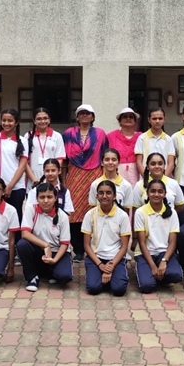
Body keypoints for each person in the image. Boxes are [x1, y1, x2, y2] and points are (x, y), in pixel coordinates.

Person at [63, 104, 109, 261]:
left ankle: (94, 247)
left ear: (93, 117)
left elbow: (104, 156)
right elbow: (64, 160)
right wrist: (63, 181)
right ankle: (78, 249)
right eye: (81, 113)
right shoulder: (68, 134)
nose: (84, 115)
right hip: (74, 176)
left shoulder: (100, 134)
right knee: (74, 213)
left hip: (94, 175)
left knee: (93, 211)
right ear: (77, 116)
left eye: (88, 113)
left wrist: (105, 178)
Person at [17, 183, 73, 292]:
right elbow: (25, 233)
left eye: (49, 197)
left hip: (57, 252)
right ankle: (32, 277)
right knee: (22, 244)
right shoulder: (31, 210)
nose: (46, 201)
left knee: (64, 277)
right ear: (37, 198)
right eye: (42, 197)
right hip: (39, 250)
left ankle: (52, 271)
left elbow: (65, 244)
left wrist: (54, 260)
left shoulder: (62, 216)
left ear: (55, 198)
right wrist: (45, 245)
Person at [81, 181, 131, 296]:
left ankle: (111, 278)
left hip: (115, 258)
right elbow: (86, 245)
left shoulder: (122, 216)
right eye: (101, 193)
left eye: (108, 193)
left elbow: (124, 247)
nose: (104, 196)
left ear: (114, 196)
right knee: (93, 288)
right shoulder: (90, 215)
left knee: (119, 290)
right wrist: (101, 265)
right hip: (96, 258)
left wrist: (110, 266)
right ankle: (104, 278)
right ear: (96, 196)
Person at [134, 179, 183, 293]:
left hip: (164, 253)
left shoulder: (172, 213)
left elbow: (172, 243)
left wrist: (164, 261)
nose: (156, 194)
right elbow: (142, 243)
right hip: (145, 254)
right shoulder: (140, 212)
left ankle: (161, 274)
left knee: (176, 275)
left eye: (160, 191)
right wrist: (153, 266)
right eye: (153, 191)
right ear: (147, 193)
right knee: (147, 286)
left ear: (165, 194)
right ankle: (152, 273)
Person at [0, 108, 29, 224]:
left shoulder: (23, 141)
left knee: (15, 218)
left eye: (10, 120)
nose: (6, 123)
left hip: (17, 187)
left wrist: (10, 186)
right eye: (4, 120)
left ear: (16, 122)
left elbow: (22, 166)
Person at [24, 107, 66, 191]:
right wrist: (34, 180)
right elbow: (24, 161)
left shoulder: (57, 136)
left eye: (45, 118)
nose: (42, 121)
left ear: (49, 120)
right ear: (34, 121)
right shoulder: (28, 136)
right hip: (32, 181)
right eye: (39, 119)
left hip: (52, 180)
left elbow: (60, 159)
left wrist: (50, 176)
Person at [134, 107, 176, 178]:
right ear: (149, 120)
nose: (157, 121)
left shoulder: (168, 139)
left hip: (164, 179)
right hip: (146, 179)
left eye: (160, 118)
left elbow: (171, 164)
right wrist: (147, 178)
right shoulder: (142, 138)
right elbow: (138, 162)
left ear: (164, 119)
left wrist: (162, 178)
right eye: (154, 119)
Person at [107, 108, 142, 187]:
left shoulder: (141, 137)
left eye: (131, 117)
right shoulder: (111, 136)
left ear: (135, 121)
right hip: (116, 171)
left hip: (136, 172)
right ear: (120, 121)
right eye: (125, 117)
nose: (128, 118)